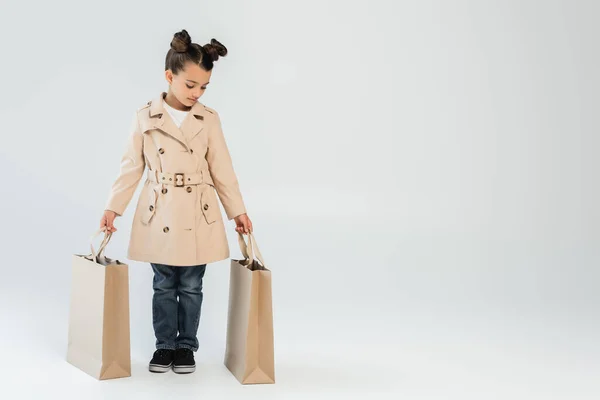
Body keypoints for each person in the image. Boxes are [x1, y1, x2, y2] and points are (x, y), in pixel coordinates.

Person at [99, 29, 253, 374]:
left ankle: (186, 347)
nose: (196, 94)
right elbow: (131, 166)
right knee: (164, 283)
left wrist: (237, 211)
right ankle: (164, 344)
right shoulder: (145, 117)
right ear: (169, 76)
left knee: (192, 284)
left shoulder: (209, 119)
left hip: (197, 210)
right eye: (190, 85)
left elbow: (222, 168)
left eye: (203, 87)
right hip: (160, 209)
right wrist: (113, 207)